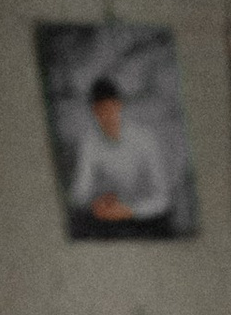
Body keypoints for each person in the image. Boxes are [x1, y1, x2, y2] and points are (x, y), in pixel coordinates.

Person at [68, 71, 175, 232]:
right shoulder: (89, 143)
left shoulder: (144, 138)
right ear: (93, 112)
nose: (106, 116)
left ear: (119, 105)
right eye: (100, 111)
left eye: (110, 108)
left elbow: (163, 199)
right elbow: (80, 192)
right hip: (114, 219)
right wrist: (94, 202)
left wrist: (130, 211)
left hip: (148, 219)